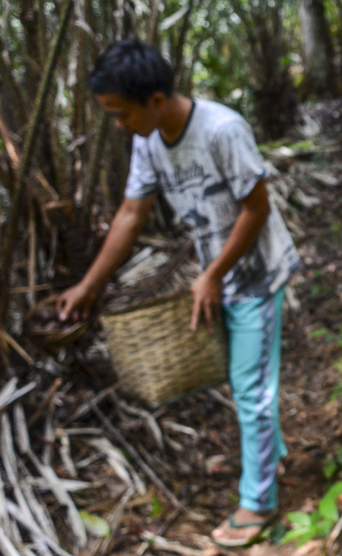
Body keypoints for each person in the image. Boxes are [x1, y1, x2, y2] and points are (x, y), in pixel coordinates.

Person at [57, 39, 300, 548]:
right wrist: (87, 286)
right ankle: (270, 457)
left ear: (156, 101)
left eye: (120, 114)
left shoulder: (222, 129)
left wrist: (212, 274)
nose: (117, 125)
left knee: (251, 389)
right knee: (246, 383)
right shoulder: (147, 140)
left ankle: (258, 503)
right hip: (216, 275)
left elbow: (255, 209)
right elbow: (130, 214)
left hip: (254, 275)